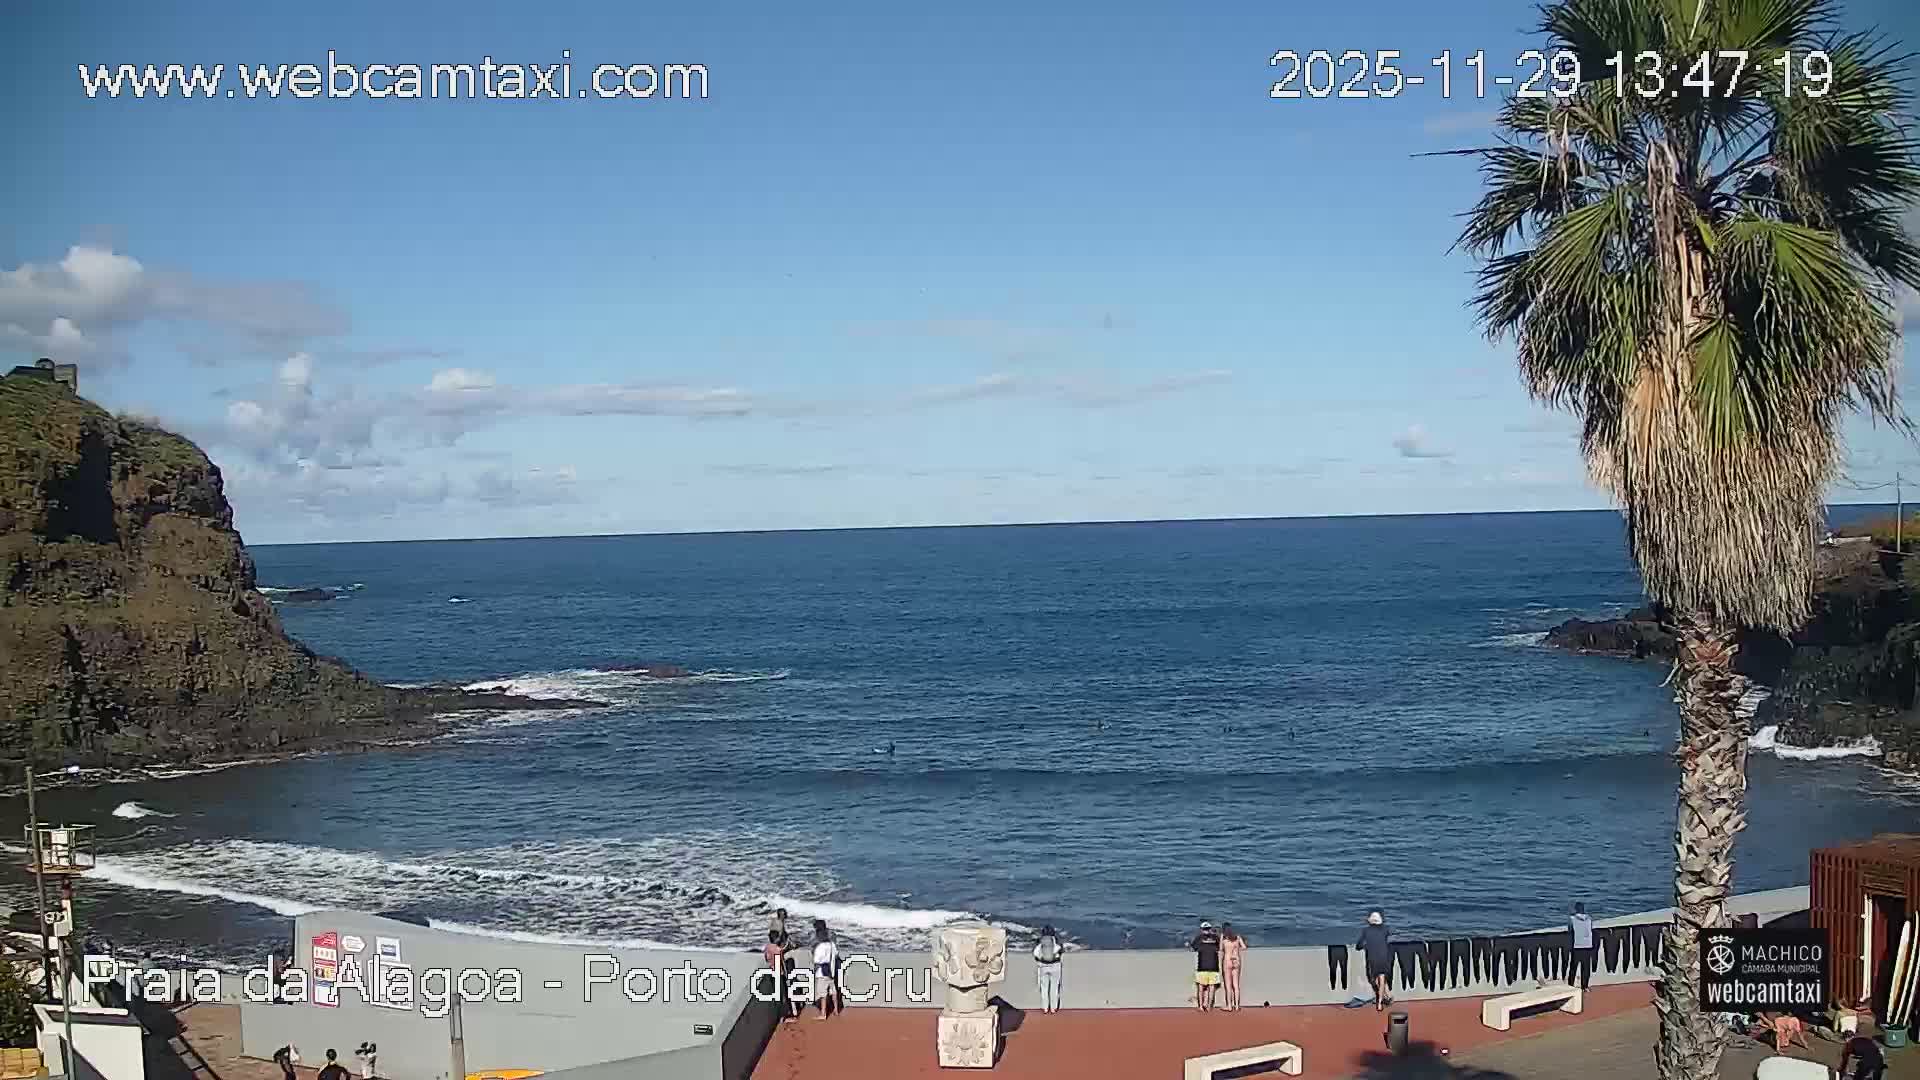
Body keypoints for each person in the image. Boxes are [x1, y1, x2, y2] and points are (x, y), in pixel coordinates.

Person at [1356, 911, 1393, 1012]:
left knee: (1374, 980)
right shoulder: (1386, 929)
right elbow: (1387, 935)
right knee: (1382, 980)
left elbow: (1358, 945)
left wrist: (1365, 946)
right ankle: (1381, 1002)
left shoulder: (1366, 930)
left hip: (1372, 957)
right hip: (1384, 957)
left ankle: (1386, 996)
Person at [1188, 920, 1222, 1011]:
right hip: (1214, 966)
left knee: (1201, 987)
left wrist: (1188, 944)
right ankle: (1209, 1006)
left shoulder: (1199, 938)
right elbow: (1220, 947)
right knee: (1212, 988)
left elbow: (1192, 949)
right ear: (1210, 929)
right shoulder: (1216, 938)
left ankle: (1200, 1006)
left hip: (1202, 966)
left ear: (1202, 929)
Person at [811, 919, 841, 1019]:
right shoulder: (832, 945)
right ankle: (836, 1009)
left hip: (822, 972)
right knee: (833, 991)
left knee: (823, 994)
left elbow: (816, 961)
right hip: (831, 971)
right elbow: (836, 955)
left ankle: (823, 1013)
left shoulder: (820, 947)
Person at [763, 930, 793, 1023]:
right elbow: (782, 963)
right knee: (783, 996)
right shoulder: (777, 950)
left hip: (772, 973)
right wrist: (787, 975)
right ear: (776, 938)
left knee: (777, 996)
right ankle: (783, 1017)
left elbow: (766, 959)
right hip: (779, 974)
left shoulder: (767, 947)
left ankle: (780, 1017)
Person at [1033, 925, 1064, 1013]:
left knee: (1044, 988)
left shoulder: (1040, 941)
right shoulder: (1056, 941)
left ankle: (1045, 1008)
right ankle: (1054, 1008)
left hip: (1043, 966)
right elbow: (1060, 951)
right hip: (1055, 965)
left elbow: (1036, 953)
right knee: (1054, 987)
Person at [1567, 902, 1596, 992]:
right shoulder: (1589, 919)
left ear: (1576, 909)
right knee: (1586, 968)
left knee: (1573, 968)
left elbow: (1570, 930)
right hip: (1588, 945)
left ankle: (1570, 986)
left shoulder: (1572, 919)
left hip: (1577, 946)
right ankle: (1585, 987)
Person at [1219, 923, 1247, 1011]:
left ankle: (1229, 1006)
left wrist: (1221, 938)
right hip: (1236, 960)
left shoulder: (1224, 939)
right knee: (1236, 985)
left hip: (1227, 960)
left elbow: (1220, 949)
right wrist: (1236, 950)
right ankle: (1237, 1006)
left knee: (1228, 985)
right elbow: (1244, 947)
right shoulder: (1237, 937)